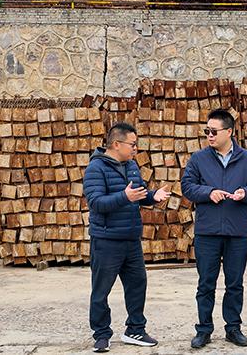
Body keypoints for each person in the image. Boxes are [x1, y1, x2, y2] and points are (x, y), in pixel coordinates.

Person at [83, 122, 171, 352]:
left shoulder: (131, 165)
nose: (135, 148)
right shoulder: (95, 169)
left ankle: (135, 329)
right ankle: (101, 334)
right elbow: (96, 202)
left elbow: (138, 194)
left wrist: (153, 196)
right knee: (101, 290)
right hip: (106, 240)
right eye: (132, 144)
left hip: (131, 238)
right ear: (116, 144)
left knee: (137, 285)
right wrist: (124, 196)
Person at [181, 109, 247, 349]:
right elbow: (187, 186)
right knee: (206, 284)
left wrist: (245, 193)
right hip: (207, 232)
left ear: (229, 132)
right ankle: (204, 329)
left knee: (235, 284)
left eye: (213, 131)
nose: (209, 135)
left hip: (236, 232)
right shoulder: (199, 159)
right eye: (206, 131)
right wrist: (208, 192)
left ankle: (233, 328)